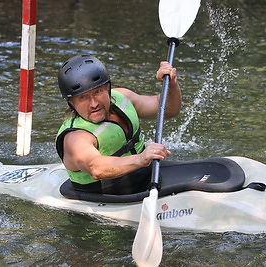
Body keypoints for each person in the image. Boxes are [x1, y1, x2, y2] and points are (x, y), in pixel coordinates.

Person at [56, 54, 181, 195]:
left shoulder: (123, 98)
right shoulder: (75, 137)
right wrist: (141, 158)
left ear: (107, 88)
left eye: (97, 92)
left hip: (149, 177)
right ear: (71, 103)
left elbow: (169, 110)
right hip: (109, 197)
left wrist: (171, 84)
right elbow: (96, 168)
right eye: (83, 97)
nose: (94, 104)